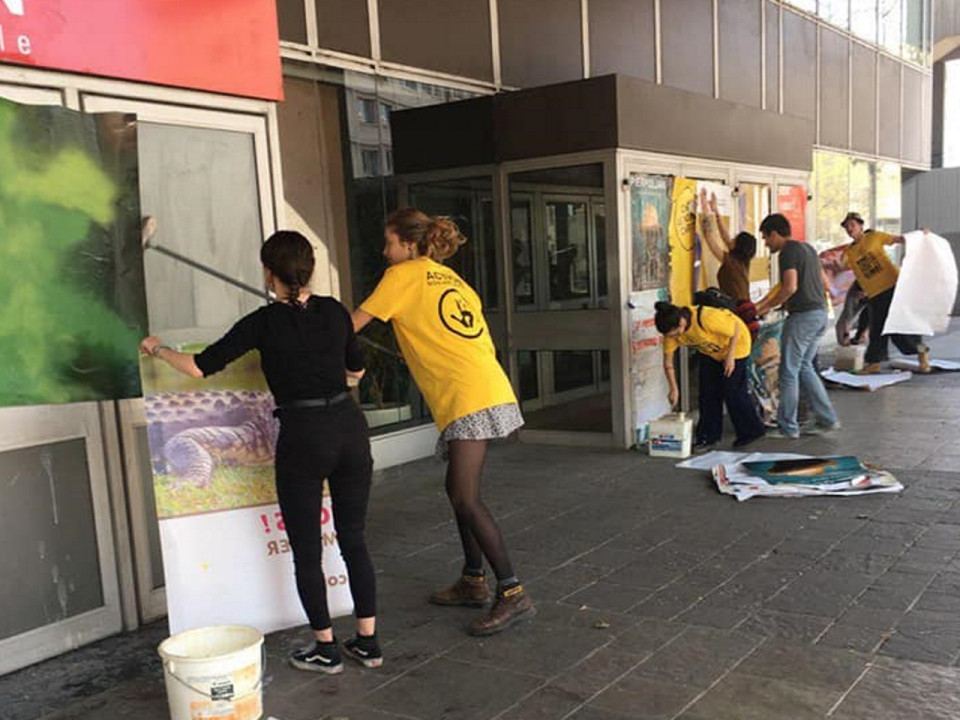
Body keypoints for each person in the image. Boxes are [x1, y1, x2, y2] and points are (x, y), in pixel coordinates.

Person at [140, 231, 380, 674]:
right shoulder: (334, 312)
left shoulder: (263, 322)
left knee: (307, 550)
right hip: (349, 429)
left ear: (269, 273)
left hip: (303, 435)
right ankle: (368, 641)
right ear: (307, 270)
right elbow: (357, 368)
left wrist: (156, 348)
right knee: (354, 539)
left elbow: (198, 366)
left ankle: (326, 648)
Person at [352, 208, 534, 636]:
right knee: (457, 490)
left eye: (389, 242)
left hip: (466, 395)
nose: (385, 251)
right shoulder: (451, 279)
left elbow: (350, 325)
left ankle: (512, 592)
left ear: (409, 245)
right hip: (484, 384)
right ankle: (473, 580)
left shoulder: (402, 275)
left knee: (467, 497)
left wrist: (304, 317)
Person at [755, 214, 840, 439]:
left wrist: (767, 308)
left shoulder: (788, 252)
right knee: (804, 367)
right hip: (819, 314)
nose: (765, 243)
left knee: (789, 371)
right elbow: (824, 282)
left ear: (775, 233)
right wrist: (764, 303)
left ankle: (788, 427)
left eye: (765, 238)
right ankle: (827, 419)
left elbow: (790, 286)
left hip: (802, 317)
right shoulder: (808, 249)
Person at [655, 301, 765, 449]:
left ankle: (751, 431)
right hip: (711, 352)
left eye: (676, 333)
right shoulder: (671, 335)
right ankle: (707, 436)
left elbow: (736, 330)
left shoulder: (706, 318)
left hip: (737, 345)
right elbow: (668, 364)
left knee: (732, 390)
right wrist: (673, 389)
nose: (675, 337)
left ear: (681, 322)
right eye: (671, 336)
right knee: (707, 392)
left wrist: (731, 357)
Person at [840, 212, 930, 374]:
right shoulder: (850, 252)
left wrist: (919, 235)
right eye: (847, 227)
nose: (849, 229)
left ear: (861, 225)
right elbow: (859, 273)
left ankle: (922, 351)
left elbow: (899, 240)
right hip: (874, 294)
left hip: (892, 287)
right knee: (877, 329)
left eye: (852, 225)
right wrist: (862, 291)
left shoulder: (874, 237)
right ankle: (874, 363)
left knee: (898, 330)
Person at [699, 189, 757, 302]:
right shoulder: (744, 261)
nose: (732, 239)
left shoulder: (731, 262)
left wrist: (705, 208)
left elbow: (709, 237)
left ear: (738, 246)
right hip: (744, 308)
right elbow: (725, 237)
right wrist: (715, 212)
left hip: (737, 310)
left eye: (735, 238)